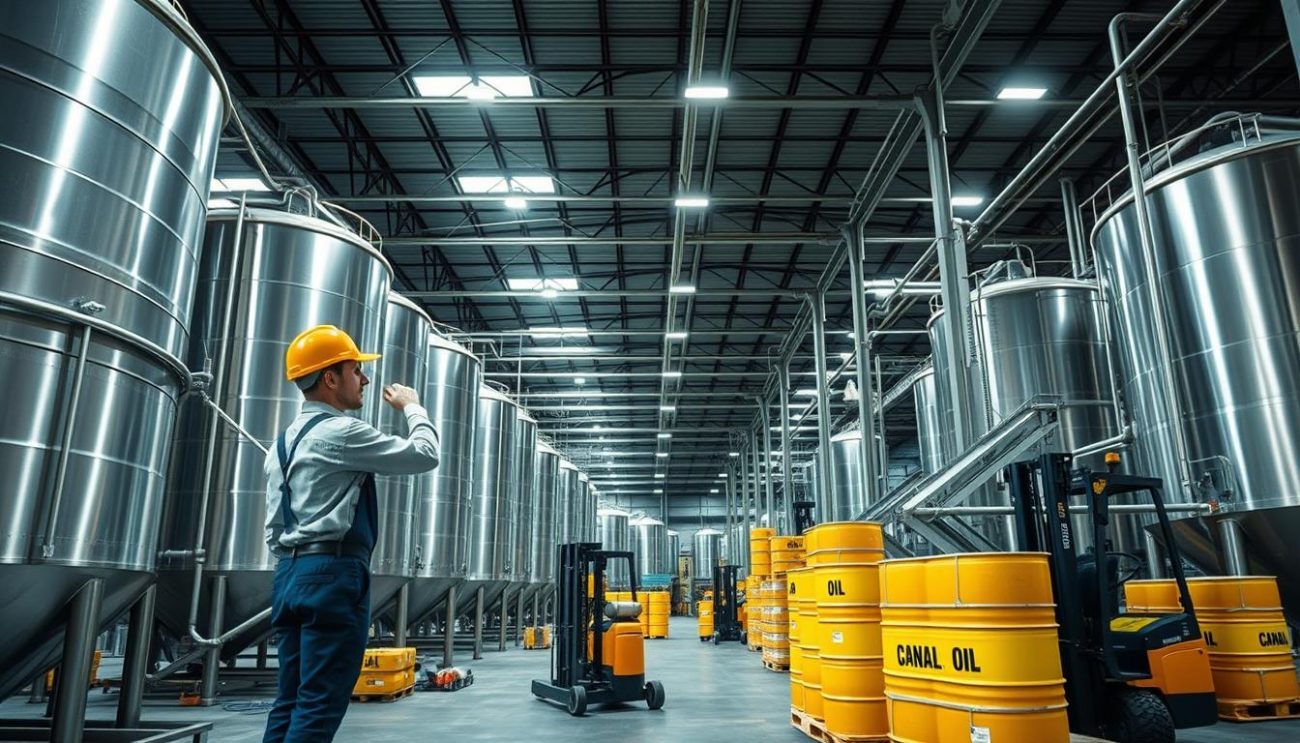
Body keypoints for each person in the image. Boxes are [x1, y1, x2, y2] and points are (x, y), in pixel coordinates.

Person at [262, 324, 439, 743]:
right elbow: (425, 454)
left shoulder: (283, 442)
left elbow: (274, 525)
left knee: (289, 699)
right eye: (356, 370)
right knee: (320, 703)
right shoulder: (340, 431)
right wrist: (413, 408)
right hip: (333, 573)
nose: (364, 379)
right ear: (329, 377)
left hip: (288, 574)